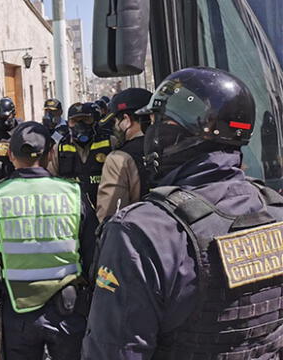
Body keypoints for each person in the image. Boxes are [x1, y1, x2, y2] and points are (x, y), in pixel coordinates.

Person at [82, 67, 283, 359]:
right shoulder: (274, 210)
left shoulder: (141, 231)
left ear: (180, 132)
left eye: (156, 122)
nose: (151, 133)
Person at [0, 122, 98, 359]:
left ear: (10, 155)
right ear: (50, 153)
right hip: (70, 311)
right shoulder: (74, 194)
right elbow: (94, 258)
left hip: (17, 314)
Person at [96, 88, 152, 222]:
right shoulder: (175, 146)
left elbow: (110, 215)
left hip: (140, 236)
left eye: (116, 121)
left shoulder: (119, 159)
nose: (115, 127)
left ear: (127, 120)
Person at [48, 102, 112, 206]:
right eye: (74, 121)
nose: (80, 125)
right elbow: (51, 183)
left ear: (94, 121)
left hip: (103, 208)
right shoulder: (59, 148)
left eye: (85, 120)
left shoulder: (110, 143)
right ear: (68, 123)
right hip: (72, 209)